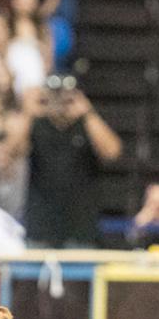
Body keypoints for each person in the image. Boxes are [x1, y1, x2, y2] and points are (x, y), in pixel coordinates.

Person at [14, 81, 122, 248]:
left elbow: (113, 152)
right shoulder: (36, 124)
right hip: (41, 228)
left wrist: (88, 113)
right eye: (55, 94)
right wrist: (28, 113)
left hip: (80, 230)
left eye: (66, 95)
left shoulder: (87, 125)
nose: (60, 101)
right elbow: (12, 152)